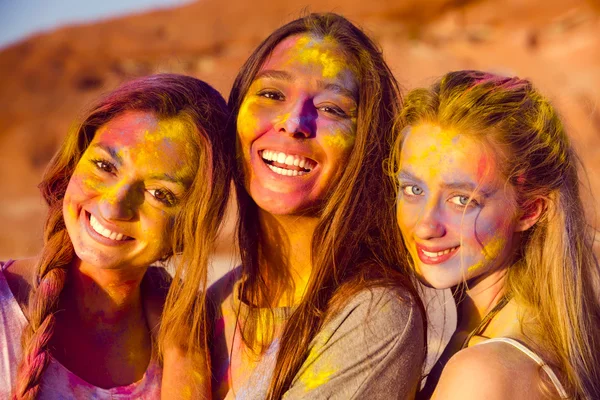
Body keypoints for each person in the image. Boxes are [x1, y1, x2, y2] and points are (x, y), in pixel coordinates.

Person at [161, 12, 427, 399]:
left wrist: (184, 363)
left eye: (333, 108)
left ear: (366, 146)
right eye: (271, 94)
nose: (294, 121)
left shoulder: (374, 316)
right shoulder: (211, 305)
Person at [0, 73, 233, 399]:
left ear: (189, 226)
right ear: (74, 163)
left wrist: (186, 353)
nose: (113, 207)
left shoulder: (199, 338)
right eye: (105, 166)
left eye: (159, 193)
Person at [391, 70, 600, 399]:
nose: (425, 226)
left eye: (462, 200)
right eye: (413, 188)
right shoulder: (542, 325)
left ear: (530, 211)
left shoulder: (482, 374)